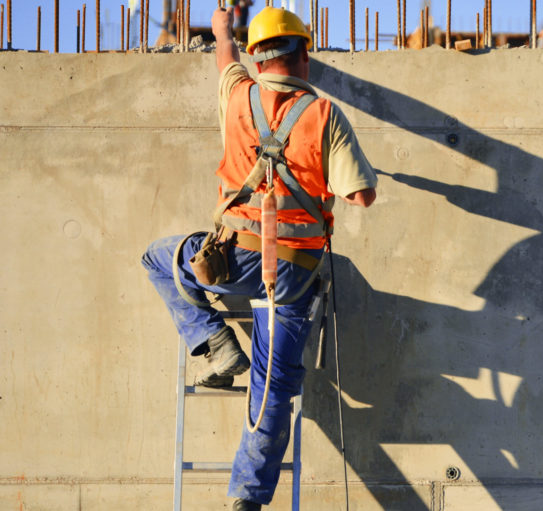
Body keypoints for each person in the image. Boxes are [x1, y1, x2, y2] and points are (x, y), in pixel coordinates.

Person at [140, 6, 377, 510]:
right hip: (295, 273)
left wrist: (224, 29)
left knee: (158, 259)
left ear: (255, 56)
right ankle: (246, 498)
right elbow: (360, 195)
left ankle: (213, 341)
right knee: (272, 393)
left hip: (234, 262)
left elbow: (224, 57)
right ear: (304, 55)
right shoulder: (324, 114)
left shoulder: (237, 95)